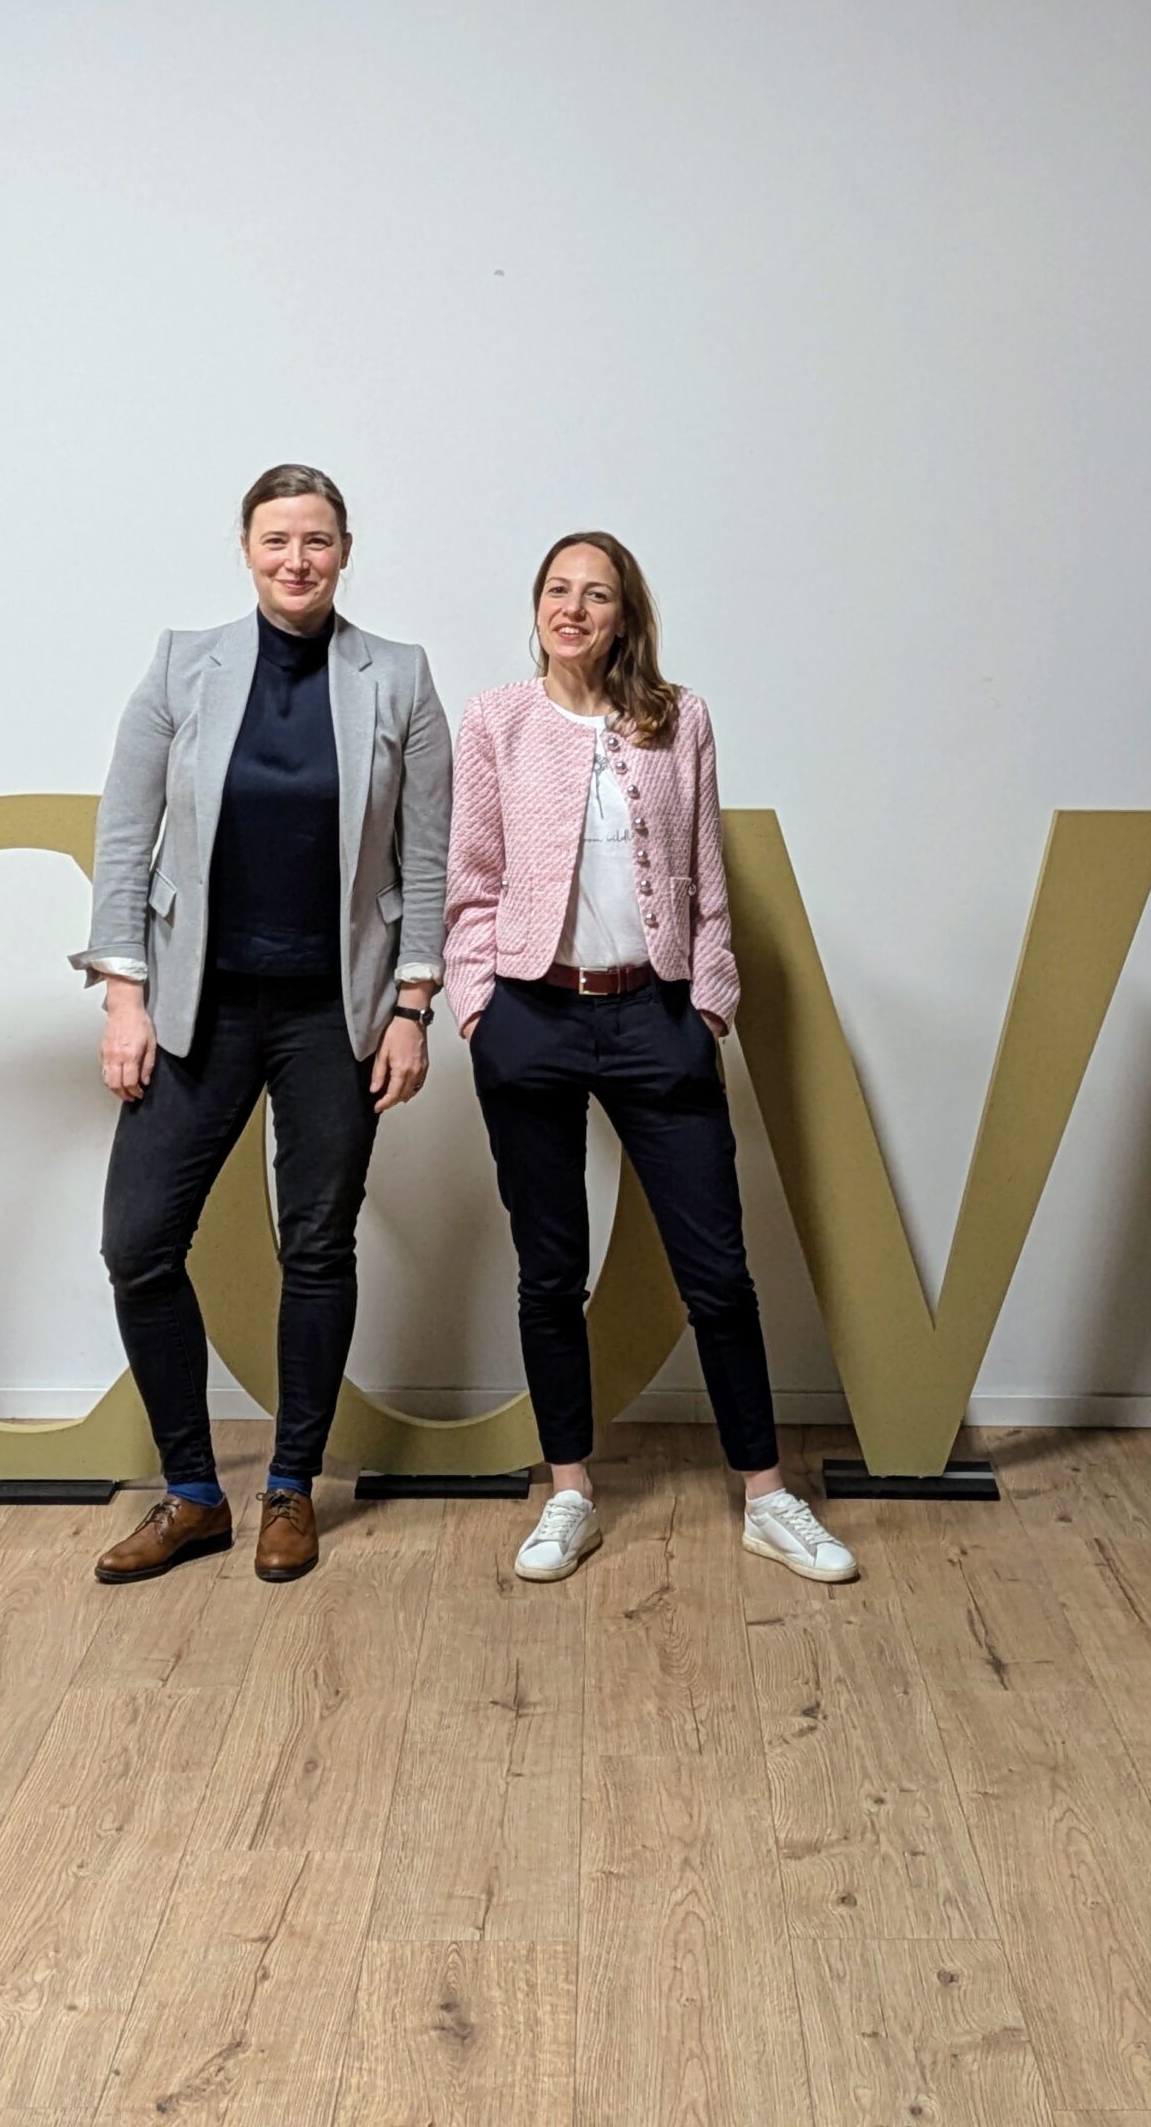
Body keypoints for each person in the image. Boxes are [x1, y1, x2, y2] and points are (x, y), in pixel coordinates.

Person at [444, 531, 857, 1585]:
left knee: (716, 1272)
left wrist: (706, 1005)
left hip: (655, 1016)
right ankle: (569, 1491)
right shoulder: (495, 719)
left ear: (624, 613)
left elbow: (707, 879)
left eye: (595, 594)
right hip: (531, 1015)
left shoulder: (681, 719)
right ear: (535, 605)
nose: (572, 609)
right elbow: (470, 879)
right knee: (550, 1271)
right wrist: (479, 1008)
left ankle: (767, 1496)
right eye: (556, 590)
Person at [72, 463, 451, 1586]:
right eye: (277, 539)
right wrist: (126, 998)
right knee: (138, 1243)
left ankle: (291, 1486)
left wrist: (412, 1007)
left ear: (345, 553)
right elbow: (123, 838)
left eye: (317, 540)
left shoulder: (399, 677)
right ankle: (193, 1494)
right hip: (201, 1003)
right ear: (246, 549)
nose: (298, 559)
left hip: (336, 1010)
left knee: (316, 1246)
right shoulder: (180, 666)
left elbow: (425, 859)